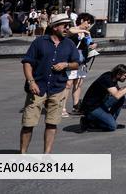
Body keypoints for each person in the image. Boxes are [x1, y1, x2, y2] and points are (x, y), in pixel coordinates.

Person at [20, 14, 80, 154]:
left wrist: (66, 65)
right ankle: (23, 154)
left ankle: (47, 155)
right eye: (64, 25)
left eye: (68, 25)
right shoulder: (39, 42)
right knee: (28, 124)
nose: (67, 28)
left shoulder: (69, 44)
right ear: (54, 27)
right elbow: (27, 62)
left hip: (58, 88)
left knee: (52, 124)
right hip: (37, 87)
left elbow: (76, 63)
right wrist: (31, 82)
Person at [80, 64, 126, 131]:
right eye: (125, 76)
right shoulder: (107, 79)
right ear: (118, 74)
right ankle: (88, 121)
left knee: (121, 98)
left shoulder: (112, 77)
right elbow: (117, 95)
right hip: (92, 107)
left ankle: (109, 121)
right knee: (112, 127)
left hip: (100, 103)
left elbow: (118, 91)